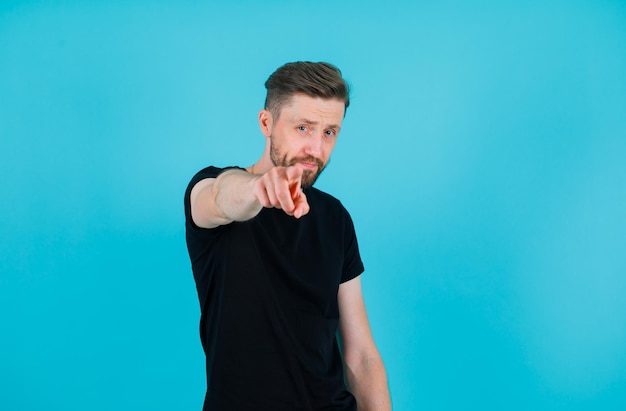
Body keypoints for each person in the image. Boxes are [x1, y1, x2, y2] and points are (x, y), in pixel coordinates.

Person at [184, 61, 391, 410]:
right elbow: (221, 197)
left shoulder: (335, 217)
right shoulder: (212, 187)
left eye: (329, 132)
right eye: (303, 128)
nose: (316, 149)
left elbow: (361, 356)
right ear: (267, 123)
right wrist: (259, 190)